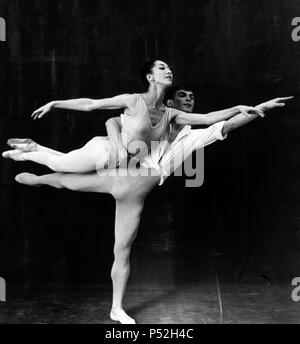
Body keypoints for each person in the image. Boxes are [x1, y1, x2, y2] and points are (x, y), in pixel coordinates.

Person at [3, 82, 292, 324]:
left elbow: (226, 124)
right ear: (169, 103)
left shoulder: (195, 136)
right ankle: (33, 155)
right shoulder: (154, 121)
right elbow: (110, 118)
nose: (189, 100)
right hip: (118, 174)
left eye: (192, 98)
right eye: (183, 96)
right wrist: (116, 140)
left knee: (122, 249)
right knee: (63, 177)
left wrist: (261, 108)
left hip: (137, 193)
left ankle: (116, 308)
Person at [2, 60, 263, 174]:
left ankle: (32, 148)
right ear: (150, 76)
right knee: (61, 166)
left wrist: (239, 107)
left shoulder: (171, 113)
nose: (168, 70)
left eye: (169, 68)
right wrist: (55, 103)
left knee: (66, 164)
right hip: (106, 151)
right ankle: (28, 152)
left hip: (119, 159)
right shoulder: (132, 100)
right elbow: (91, 105)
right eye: (162, 68)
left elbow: (207, 119)